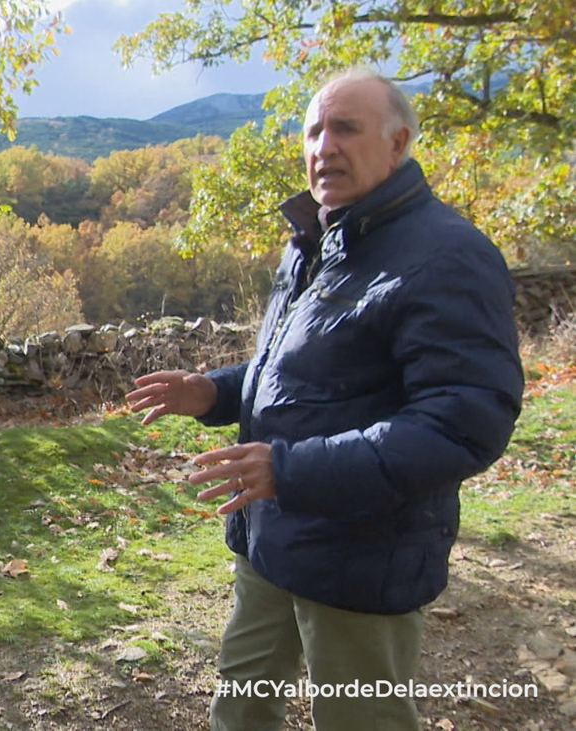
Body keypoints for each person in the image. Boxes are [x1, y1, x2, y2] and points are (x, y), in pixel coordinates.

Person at [126, 69, 524, 731]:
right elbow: (301, 371)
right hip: (270, 539)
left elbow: (463, 423)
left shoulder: (447, 255)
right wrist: (214, 391)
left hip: (361, 556)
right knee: (240, 704)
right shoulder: (317, 240)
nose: (323, 147)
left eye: (345, 128)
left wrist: (291, 470)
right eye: (313, 131)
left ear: (396, 144)